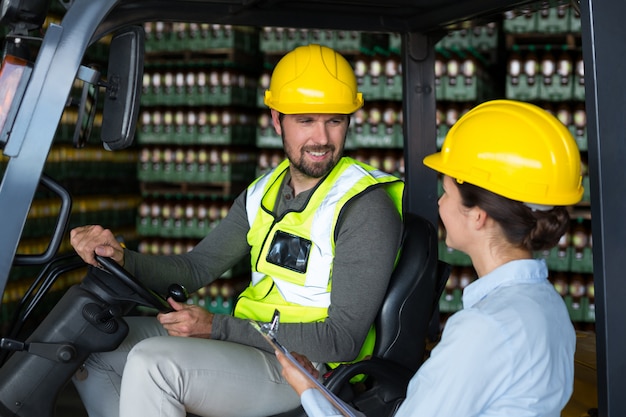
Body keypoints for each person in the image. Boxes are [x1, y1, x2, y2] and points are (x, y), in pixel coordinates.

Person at [69, 43, 404, 417]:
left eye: (335, 121)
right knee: (94, 344)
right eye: (306, 121)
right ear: (277, 120)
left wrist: (218, 327)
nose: (322, 139)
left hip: (308, 369)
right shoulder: (263, 192)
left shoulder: (364, 207)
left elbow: (341, 341)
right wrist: (121, 258)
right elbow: (196, 268)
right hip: (254, 343)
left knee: (154, 364)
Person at [277, 99, 584, 417]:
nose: (439, 202)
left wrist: (308, 391)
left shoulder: (483, 329)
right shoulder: (547, 305)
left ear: (478, 215)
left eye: (448, 191)